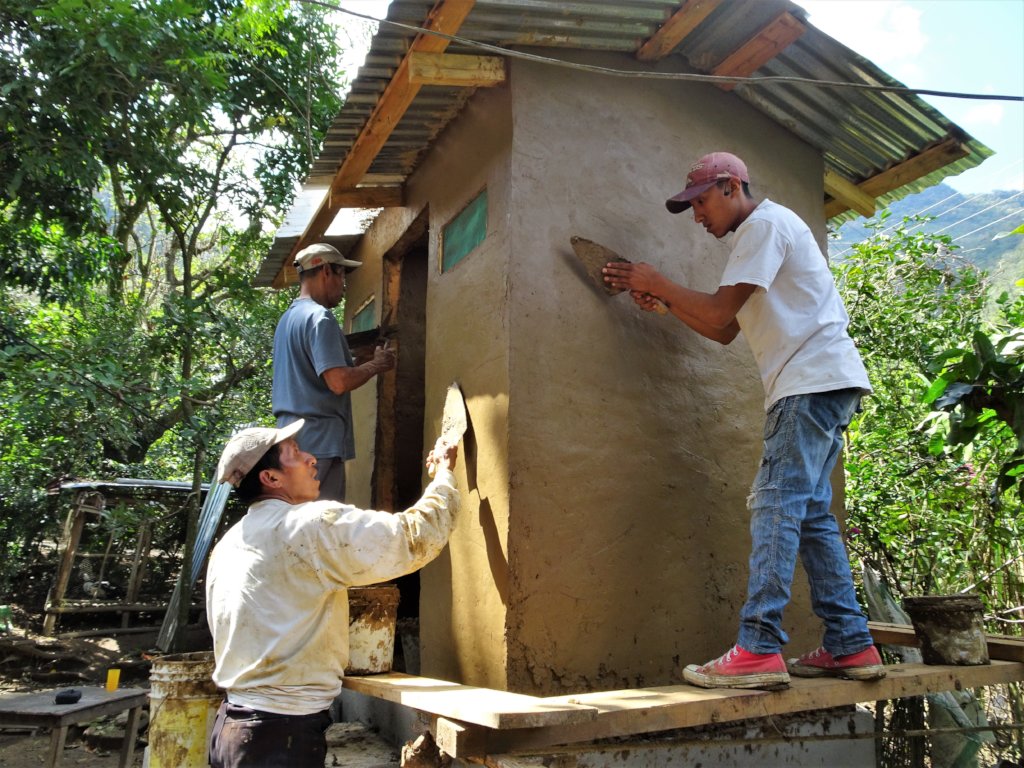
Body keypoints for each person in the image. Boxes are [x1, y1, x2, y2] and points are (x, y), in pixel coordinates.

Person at [603, 151, 885, 690]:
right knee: (810, 517)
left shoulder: (764, 225)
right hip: (829, 382)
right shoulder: (760, 234)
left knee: (775, 503)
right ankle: (851, 644)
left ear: (731, 186)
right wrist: (666, 303)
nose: (698, 216)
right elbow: (724, 328)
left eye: (702, 202)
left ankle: (757, 648)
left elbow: (714, 313)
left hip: (808, 385)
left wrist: (659, 282)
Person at [206, 418, 459, 767]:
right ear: (271, 478)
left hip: (232, 731)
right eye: (295, 453)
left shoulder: (229, 544)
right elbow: (410, 538)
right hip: (279, 739)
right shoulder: (307, 527)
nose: (312, 458)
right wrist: (445, 477)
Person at [272, 242, 396, 502]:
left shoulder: (289, 319)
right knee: (321, 526)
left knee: (299, 521)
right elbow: (337, 382)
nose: (344, 285)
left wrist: (357, 362)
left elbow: (311, 374)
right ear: (326, 271)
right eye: (342, 275)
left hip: (292, 439)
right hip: (319, 443)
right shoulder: (321, 318)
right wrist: (376, 365)